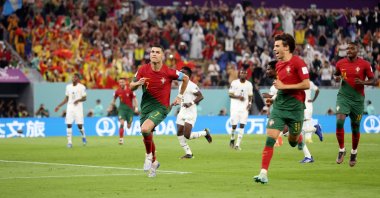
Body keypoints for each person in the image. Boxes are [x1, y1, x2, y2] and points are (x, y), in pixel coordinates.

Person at [254, 33, 310, 184]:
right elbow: (280, 86)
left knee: (292, 141)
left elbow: (306, 84)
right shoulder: (278, 65)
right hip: (279, 108)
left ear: (287, 47)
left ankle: (298, 138)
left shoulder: (299, 63)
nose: (274, 49)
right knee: (270, 139)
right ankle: (263, 173)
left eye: (277, 46)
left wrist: (285, 86)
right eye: (274, 46)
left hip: (296, 109)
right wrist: (273, 98)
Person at [130, 46, 189, 177]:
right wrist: (138, 83)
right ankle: (155, 163)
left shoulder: (168, 71)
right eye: (152, 52)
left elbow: (186, 78)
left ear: (162, 56)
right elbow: (131, 87)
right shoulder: (142, 70)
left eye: (157, 52)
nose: (154, 54)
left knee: (145, 129)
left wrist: (180, 97)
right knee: (148, 135)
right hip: (145, 108)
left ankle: (148, 156)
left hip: (161, 108)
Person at [263, 60, 323, 163]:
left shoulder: (285, 79)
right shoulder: (277, 82)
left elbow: (287, 92)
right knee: (289, 132)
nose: (266, 71)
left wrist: (270, 98)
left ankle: (313, 128)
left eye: (269, 69)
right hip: (285, 109)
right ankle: (308, 155)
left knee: (292, 132)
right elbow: (280, 95)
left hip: (294, 108)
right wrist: (271, 99)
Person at [334, 41, 375, 167]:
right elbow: (336, 75)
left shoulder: (365, 64)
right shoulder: (340, 63)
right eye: (348, 49)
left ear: (358, 50)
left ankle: (353, 152)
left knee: (355, 127)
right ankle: (341, 150)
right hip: (343, 97)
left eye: (352, 48)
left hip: (357, 100)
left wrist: (363, 82)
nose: (349, 51)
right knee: (339, 121)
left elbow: (373, 80)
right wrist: (336, 78)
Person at [175, 66, 212, 159]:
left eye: (182, 72)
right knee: (179, 133)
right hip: (182, 111)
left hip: (190, 112)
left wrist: (190, 103)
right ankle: (189, 154)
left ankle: (205, 133)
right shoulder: (181, 85)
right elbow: (183, 97)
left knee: (187, 135)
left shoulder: (192, 85)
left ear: (187, 75)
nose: (180, 74)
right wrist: (176, 102)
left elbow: (200, 96)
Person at [55, 73, 87, 148]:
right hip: (70, 107)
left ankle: (83, 136)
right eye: (73, 77)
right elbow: (66, 98)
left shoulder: (82, 87)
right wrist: (59, 106)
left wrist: (78, 100)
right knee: (68, 124)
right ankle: (69, 142)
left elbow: (85, 98)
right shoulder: (68, 87)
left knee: (79, 125)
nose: (73, 79)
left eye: (75, 77)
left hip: (78, 108)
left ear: (78, 79)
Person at [228, 69, 253, 150]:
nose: (243, 74)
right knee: (234, 126)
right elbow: (230, 95)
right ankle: (232, 138)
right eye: (241, 72)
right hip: (235, 107)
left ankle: (237, 145)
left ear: (246, 75)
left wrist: (249, 104)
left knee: (242, 125)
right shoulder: (234, 83)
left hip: (244, 107)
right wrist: (238, 97)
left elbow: (250, 96)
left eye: (245, 73)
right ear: (239, 74)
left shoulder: (249, 84)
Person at [111, 77, 139, 145]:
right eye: (120, 82)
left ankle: (129, 123)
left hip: (130, 110)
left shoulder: (130, 90)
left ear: (125, 82)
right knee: (122, 123)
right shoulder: (117, 91)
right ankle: (121, 139)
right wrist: (111, 106)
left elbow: (135, 99)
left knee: (129, 126)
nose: (121, 83)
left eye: (122, 82)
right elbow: (114, 100)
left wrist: (136, 107)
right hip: (122, 109)